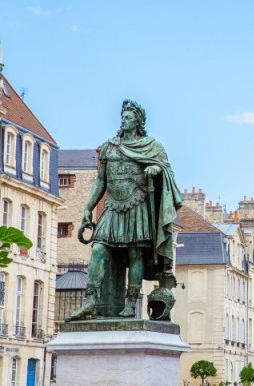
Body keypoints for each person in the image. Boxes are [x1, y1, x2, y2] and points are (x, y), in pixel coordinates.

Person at [68, 99, 183, 320]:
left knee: (135, 253)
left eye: (129, 116)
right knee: (99, 249)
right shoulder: (109, 146)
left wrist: (155, 168)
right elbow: (100, 181)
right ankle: (91, 300)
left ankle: (131, 303)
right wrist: (88, 207)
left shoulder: (153, 147)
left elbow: (168, 175)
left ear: (138, 121)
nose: (124, 119)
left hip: (137, 203)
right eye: (123, 116)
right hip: (112, 205)